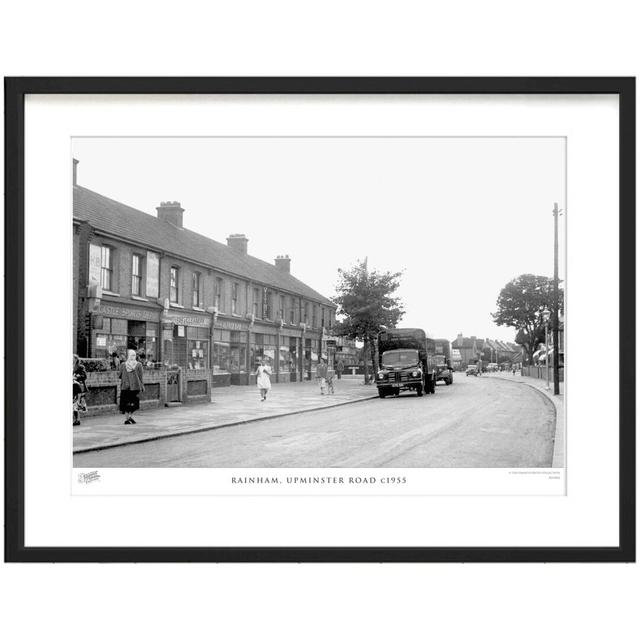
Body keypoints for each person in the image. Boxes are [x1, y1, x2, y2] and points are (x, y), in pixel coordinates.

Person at [118, 349, 145, 424]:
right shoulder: (139, 365)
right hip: (135, 387)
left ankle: (128, 418)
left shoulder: (123, 365)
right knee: (134, 403)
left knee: (126, 403)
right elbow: (141, 377)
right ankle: (130, 417)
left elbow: (119, 375)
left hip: (125, 387)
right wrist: (142, 386)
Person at [72, 354, 88, 426]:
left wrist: (77, 377)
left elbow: (84, 376)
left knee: (76, 403)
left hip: (78, 387)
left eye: (72, 358)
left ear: (76, 359)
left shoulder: (80, 367)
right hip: (72, 386)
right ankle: (76, 419)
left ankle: (77, 420)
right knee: (73, 404)